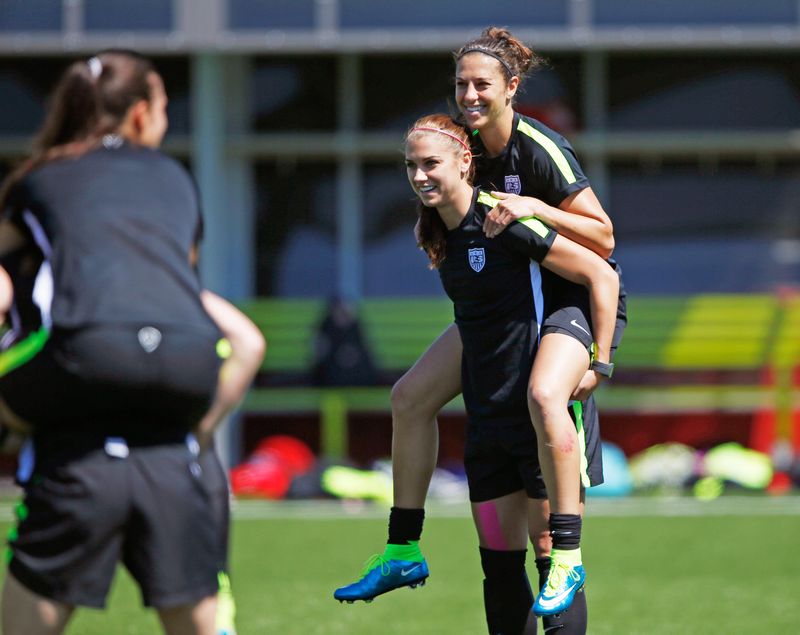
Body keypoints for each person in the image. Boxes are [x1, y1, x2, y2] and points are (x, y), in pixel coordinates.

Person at [335, 27, 627, 632]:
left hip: (566, 301)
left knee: (545, 398)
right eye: (461, 84)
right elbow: (440, 176)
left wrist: (535, 209)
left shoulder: (538, 148)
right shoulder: (455, 149)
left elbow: (603, 244)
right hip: (505, 310)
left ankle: (567, 553)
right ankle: (402, 547)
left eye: (481, 84)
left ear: (512, 88)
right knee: (409, 397)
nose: (468, 95)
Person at [0, 50, 264, 635]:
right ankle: (187, 450)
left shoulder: (38, 178)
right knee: (195, 611)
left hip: (82, 366)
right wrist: (196, 431)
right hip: (185, 367)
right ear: (142, 115)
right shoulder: (174, 177)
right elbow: (234, 332)